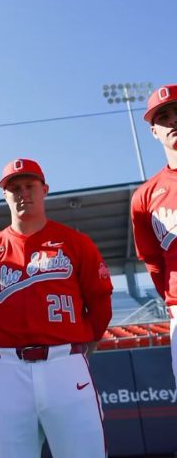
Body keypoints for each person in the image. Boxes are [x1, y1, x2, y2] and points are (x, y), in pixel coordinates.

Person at [0, 158, 113, 458]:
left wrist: (82, 347)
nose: (23, 193)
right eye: (14, 188)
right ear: (5, 195)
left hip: (66, 364)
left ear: (44, 189)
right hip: (10, 370)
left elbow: (100, 305)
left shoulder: (76, 242)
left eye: (29, 186)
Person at [131, 84, 177, 384]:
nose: (173, 120)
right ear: (154, 131)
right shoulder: (144, 197)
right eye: (163, 116)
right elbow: (153, 262)